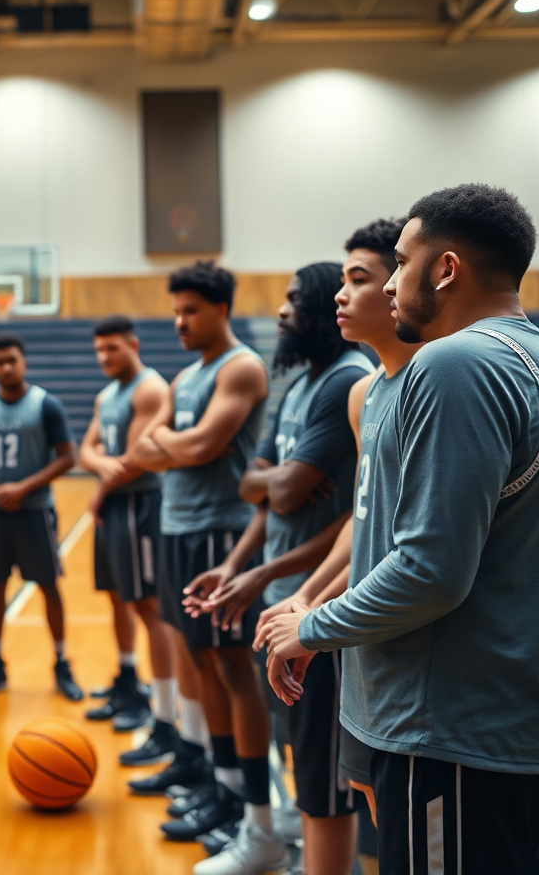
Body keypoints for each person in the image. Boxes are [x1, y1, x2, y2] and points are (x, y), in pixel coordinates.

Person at [261, 185, 539, 875]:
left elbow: (431, 570)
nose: (389, 287)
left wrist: (311, 627)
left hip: (450, 732)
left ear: (444, 270)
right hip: (494, 724)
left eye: (400, 264)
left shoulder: (455, 364)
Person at [186, 262, 371, 875]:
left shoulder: (350, 381)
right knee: (300, 752)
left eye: (295, 301)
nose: (281, 312)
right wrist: (242, 565)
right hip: (283, 598)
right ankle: (294, 846)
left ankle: (313, 860)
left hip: (323, 603)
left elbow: (323, 507)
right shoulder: (297, 387)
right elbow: (255, 488)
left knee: (326, 776)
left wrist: (275, 495)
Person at [128, 261, 277, 861]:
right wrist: (171, 447)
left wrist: (170, 446)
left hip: (221, 533)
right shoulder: (187, 376)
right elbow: (144, 449)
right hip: (176, 528)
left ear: (221, 309)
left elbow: (199, 446)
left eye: (190, 310)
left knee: (233, 667)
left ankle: (249, 803)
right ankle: (221, 784)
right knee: (200, 660)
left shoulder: (240, 367)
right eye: (175, 311)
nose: (179, 322)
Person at [0, 335, 82, 700]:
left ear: (23, 362)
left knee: (48, 585)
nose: (7, 367)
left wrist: (23, 487)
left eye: (12, 360)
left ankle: (61, 662)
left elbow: (67, 457)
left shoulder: (46, 405)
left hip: (34, 511)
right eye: (0, 362)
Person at [79, 315, 179, 733]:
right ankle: (127, 679)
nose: (104, 356)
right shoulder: (107, 396)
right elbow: (87, 451)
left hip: (139, 504)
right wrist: (103, 467)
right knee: (118, 596)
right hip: (115, 507)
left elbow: (133, 462)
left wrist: (100, 486)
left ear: (133, 345)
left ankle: (161, 705)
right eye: (99, 349)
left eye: (112, 348)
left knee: (147, 605)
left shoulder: (150, 389)